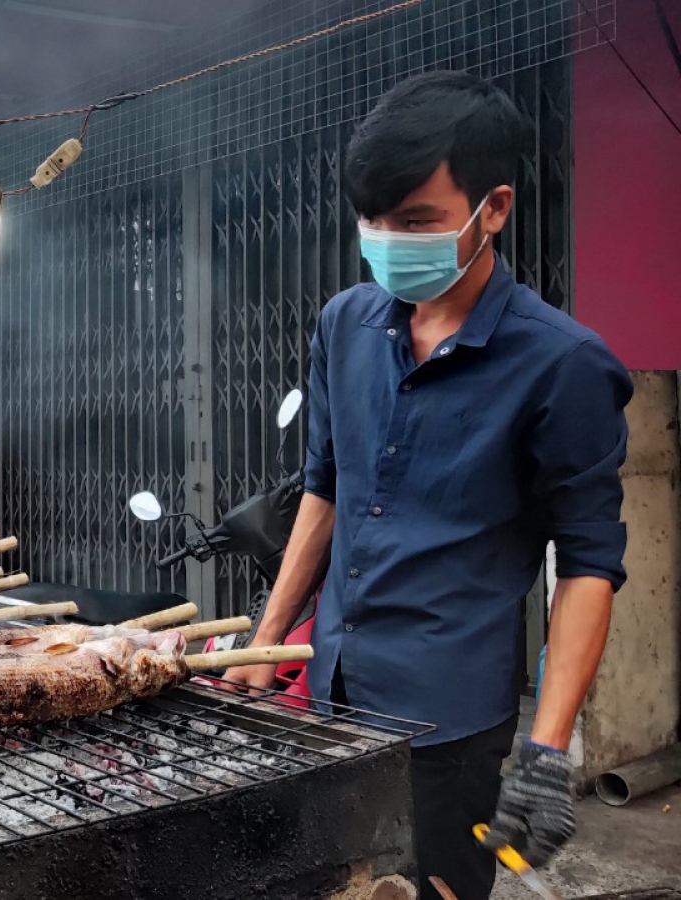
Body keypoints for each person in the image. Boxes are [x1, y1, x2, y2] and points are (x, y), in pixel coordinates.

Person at [221, 72, 630, 900]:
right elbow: (324, 489)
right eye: (372, 221)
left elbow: (589, 562)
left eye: (415, 222)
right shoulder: (345, 322)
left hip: (447, 722)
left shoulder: (563, 365)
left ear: (496, 208)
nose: (385, 242)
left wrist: (547, 754)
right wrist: (264, 647)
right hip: (330, 682)